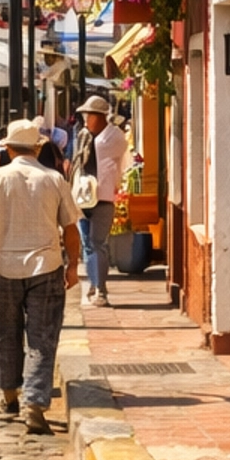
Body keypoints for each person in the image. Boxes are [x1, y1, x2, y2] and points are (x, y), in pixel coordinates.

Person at [0, 115, 81, 437]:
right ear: (37, 148)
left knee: (6, 334)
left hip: (4, 268)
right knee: (42, 340)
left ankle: (9, 396)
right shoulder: (54, 179)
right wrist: (73, 265)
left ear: (7, 149)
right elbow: (71, 230)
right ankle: (35, 404)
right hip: (46, 267)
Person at [69, 95, 130, 307]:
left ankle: (101, 289)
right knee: (87, 243)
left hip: (102, 196)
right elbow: (77, 161)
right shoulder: (83, 135)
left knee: (97, 243)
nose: (85, 118)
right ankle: (94, 283)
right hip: (82, 195)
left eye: (90, 114)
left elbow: (114, 158)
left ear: (101, 116)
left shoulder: (114, 137)